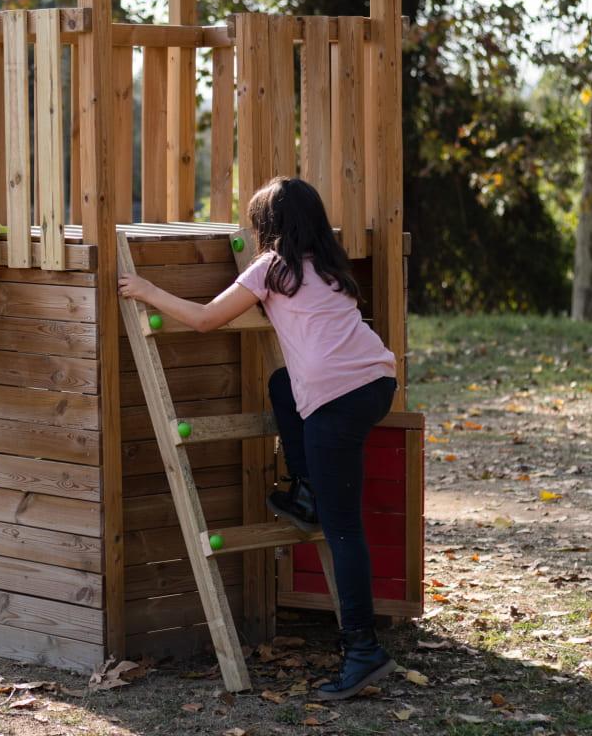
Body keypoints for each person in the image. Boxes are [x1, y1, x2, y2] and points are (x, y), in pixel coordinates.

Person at [118, 176, 398, 700]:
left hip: (336, 399)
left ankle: (362, 651)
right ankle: (308, 492)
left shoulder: (272, 268)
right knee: (281, 385)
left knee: (343, 530)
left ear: (269, 228)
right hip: (376, 383)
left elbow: (204, 320)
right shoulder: (331, 268)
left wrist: (147, 290)